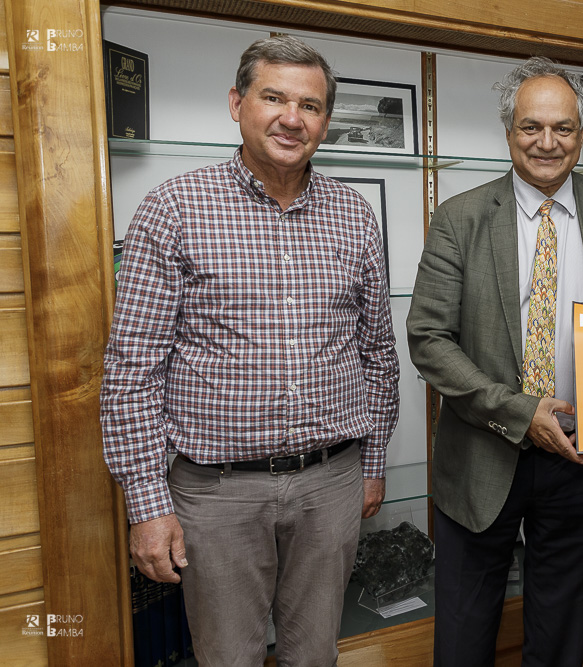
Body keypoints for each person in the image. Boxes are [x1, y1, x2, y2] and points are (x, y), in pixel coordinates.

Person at [101, 34, 400, 665]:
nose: (293, 118)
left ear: (325, 120)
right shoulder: (174, 209)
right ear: (237, 103)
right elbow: (132, 370)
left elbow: (378, 353)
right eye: (274, 98)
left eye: (311, 106)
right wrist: (148, 507)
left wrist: (372, 464)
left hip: (332, 484)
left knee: (315, 653)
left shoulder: (353, 216)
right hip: (216, 495)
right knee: (228, 657)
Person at [407, 56, 583, 667]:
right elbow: (428, 339)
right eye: (532, 127)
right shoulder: (461, 217)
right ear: (509, 132)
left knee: (561, 632)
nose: (547, 142)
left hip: (581, 454)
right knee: (463, 634)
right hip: (482, 454)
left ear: (581, 135)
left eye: (563, 129)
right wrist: (520, 411)